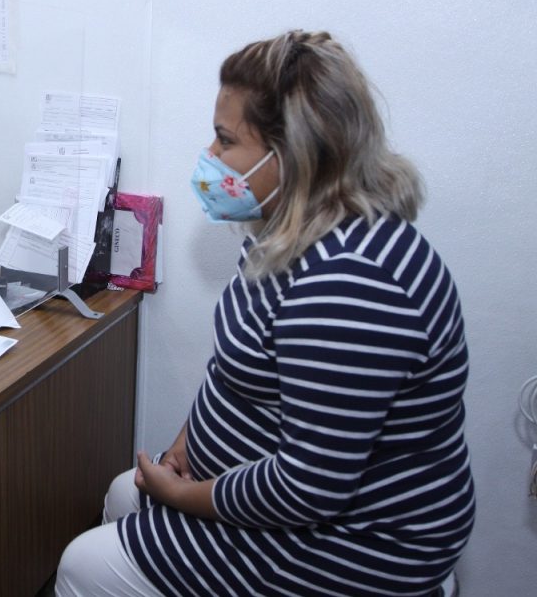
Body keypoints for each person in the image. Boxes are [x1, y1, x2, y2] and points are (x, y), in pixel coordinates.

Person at [55, 30, 475, 596]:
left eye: (226, 140)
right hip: (286, 498)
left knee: (82, 565)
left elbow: (310, 488)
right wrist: (188, 440)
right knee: (122, 492)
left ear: (296, 154)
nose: (210, 156)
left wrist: (186, 496)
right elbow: (243, 363)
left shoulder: (347, 285)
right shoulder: (292, 233)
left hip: (348, 544)